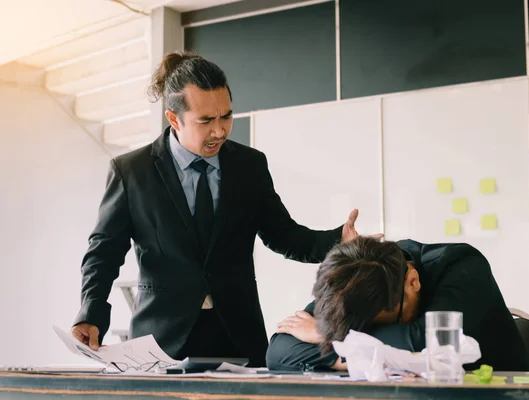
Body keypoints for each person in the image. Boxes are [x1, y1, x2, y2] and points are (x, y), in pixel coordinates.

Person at [70, 51, 376, 367]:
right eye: (206, 120)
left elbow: (284, 236)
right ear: (174, 119)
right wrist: (90, 312)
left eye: (226, 116)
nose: (220, 131)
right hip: (161, 342)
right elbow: (103, 252)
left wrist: (339, 240)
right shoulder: (132, 173)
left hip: (238, 335)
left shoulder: (250, 166)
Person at [267, 237, 529, 372]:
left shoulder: (462, 266)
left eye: (391, 323)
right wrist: (342, 355)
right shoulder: (354, 279)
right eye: (364, 329)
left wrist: (329, 335)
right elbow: (279, 350)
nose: (375, 333)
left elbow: (422, 343)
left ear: (413, 281)